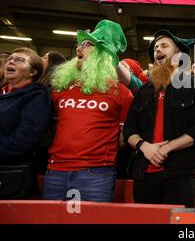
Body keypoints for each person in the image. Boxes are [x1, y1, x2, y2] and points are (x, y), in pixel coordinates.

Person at [42, 20, 133, 202]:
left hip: (96, 174)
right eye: (79, 44)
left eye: (87, 44)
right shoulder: (60, 88)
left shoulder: (121, 93)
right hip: (56, 171)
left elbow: (123, 138)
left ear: (103, 54)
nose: (79, 49)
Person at [123, 29, 195, 207]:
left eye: (164, 46)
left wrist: (167, 148)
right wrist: (145, 147)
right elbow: (129, 129)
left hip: (179, 175)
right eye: (156, 47)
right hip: (143, 174)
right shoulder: (143, 91)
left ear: (178, 54)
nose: (158, 50)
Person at [0, 48, 50, 199]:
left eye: (20, 60)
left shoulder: (36, 96)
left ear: (33, 72)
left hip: (13, 174)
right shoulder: (3, 93)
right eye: (10, 58)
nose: (11, 61)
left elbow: (25, 138)